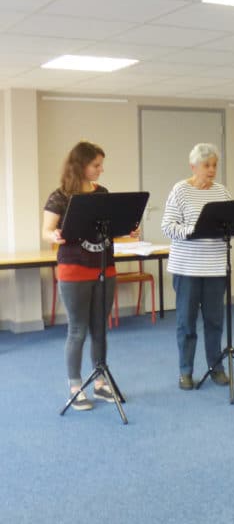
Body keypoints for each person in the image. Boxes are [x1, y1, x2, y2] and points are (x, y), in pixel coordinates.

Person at [42, 141, 118, 410]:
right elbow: (46, 231)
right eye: (96, 165)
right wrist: (53, 235)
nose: (100, 169)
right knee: (77, 330)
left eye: (101, 165)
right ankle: (75, 388)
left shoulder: (103, 193)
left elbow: (109, 228)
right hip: (74, 269)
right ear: (81, 165)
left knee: (100, 328)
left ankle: (100, 382)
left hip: (105, 267)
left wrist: (126, 229)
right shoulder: (60, 196)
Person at [161, 143, 230, 390]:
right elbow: (168, 226)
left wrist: (230, 229)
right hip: (187, 268)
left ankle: (216, 368)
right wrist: (194, 231)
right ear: (193, 167)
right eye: (206, 165)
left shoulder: (222, 192)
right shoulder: (180, 190)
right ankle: (185, 372)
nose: (211, 170)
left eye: (214, 165)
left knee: (214, 321)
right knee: (186, 322)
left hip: (215, 268)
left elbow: (231, 224)